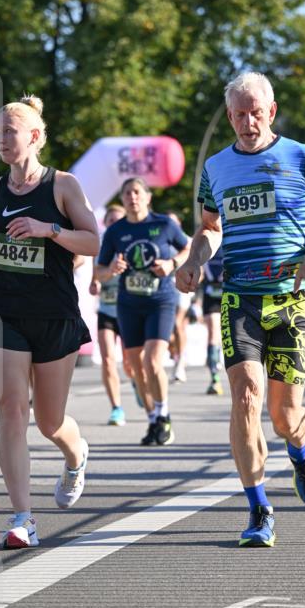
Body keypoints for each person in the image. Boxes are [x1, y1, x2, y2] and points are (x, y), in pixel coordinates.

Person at [176, 71, 305, 548]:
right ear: (230, 116)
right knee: (246, 395)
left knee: (284, 416)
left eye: (256, 113)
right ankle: (259, 508)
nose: (248, 122)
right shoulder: (216, 167)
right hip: (240, 296)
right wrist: (193, 259)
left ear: (271, 112)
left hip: (292, 298)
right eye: (239, 115)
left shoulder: (302, 157)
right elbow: (210, 228)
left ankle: (301, 447)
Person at [0, 95, 98, 549]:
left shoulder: (63, 186)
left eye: (10, 132)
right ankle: (23, 518)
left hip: (54, 313)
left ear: (34, 136)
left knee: (48, 422)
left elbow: (93, 242)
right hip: (6, 310)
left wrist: (48, 230)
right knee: (11, 409)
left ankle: (75, 455)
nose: (1, 140)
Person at [96, 178, 190, 446]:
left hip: (160, 301)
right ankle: (152, 420)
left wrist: (172, 263)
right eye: (127, 193)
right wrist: (111, 270)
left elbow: (188, 248)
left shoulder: (164, 224)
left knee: (152, 361)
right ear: (122, 199)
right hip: (128, 305)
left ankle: (163, 415)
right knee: (136, 368)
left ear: (148, 197)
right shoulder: (115, 231)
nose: (132, 197)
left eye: (137, 192)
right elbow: (99, 272)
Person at [92, 203, 132, 426]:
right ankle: (116, 408)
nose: (113, 225)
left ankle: (137, 382)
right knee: (108, 360)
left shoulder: (133, 243)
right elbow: (96, 276)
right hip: (107, 310)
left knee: (130, 363)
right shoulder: (100, 246)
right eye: (110, 221)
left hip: (129, 310)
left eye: (118, 220)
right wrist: (99, 280)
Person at [165, 210, 192, 384]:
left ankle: (180, 362)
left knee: (177, 323)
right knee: (170, 330)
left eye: (173, 222)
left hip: (182, 287)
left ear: (179, 223)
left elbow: (199, 267)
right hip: (164, 287)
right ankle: (175, 354)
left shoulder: (187, 241)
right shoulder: (161, 239)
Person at [201, 248, 224, 394]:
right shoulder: (205, 238)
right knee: (213, 333)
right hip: (210, 294)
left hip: (230, 290)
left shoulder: (231, 236)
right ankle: (215, 378)